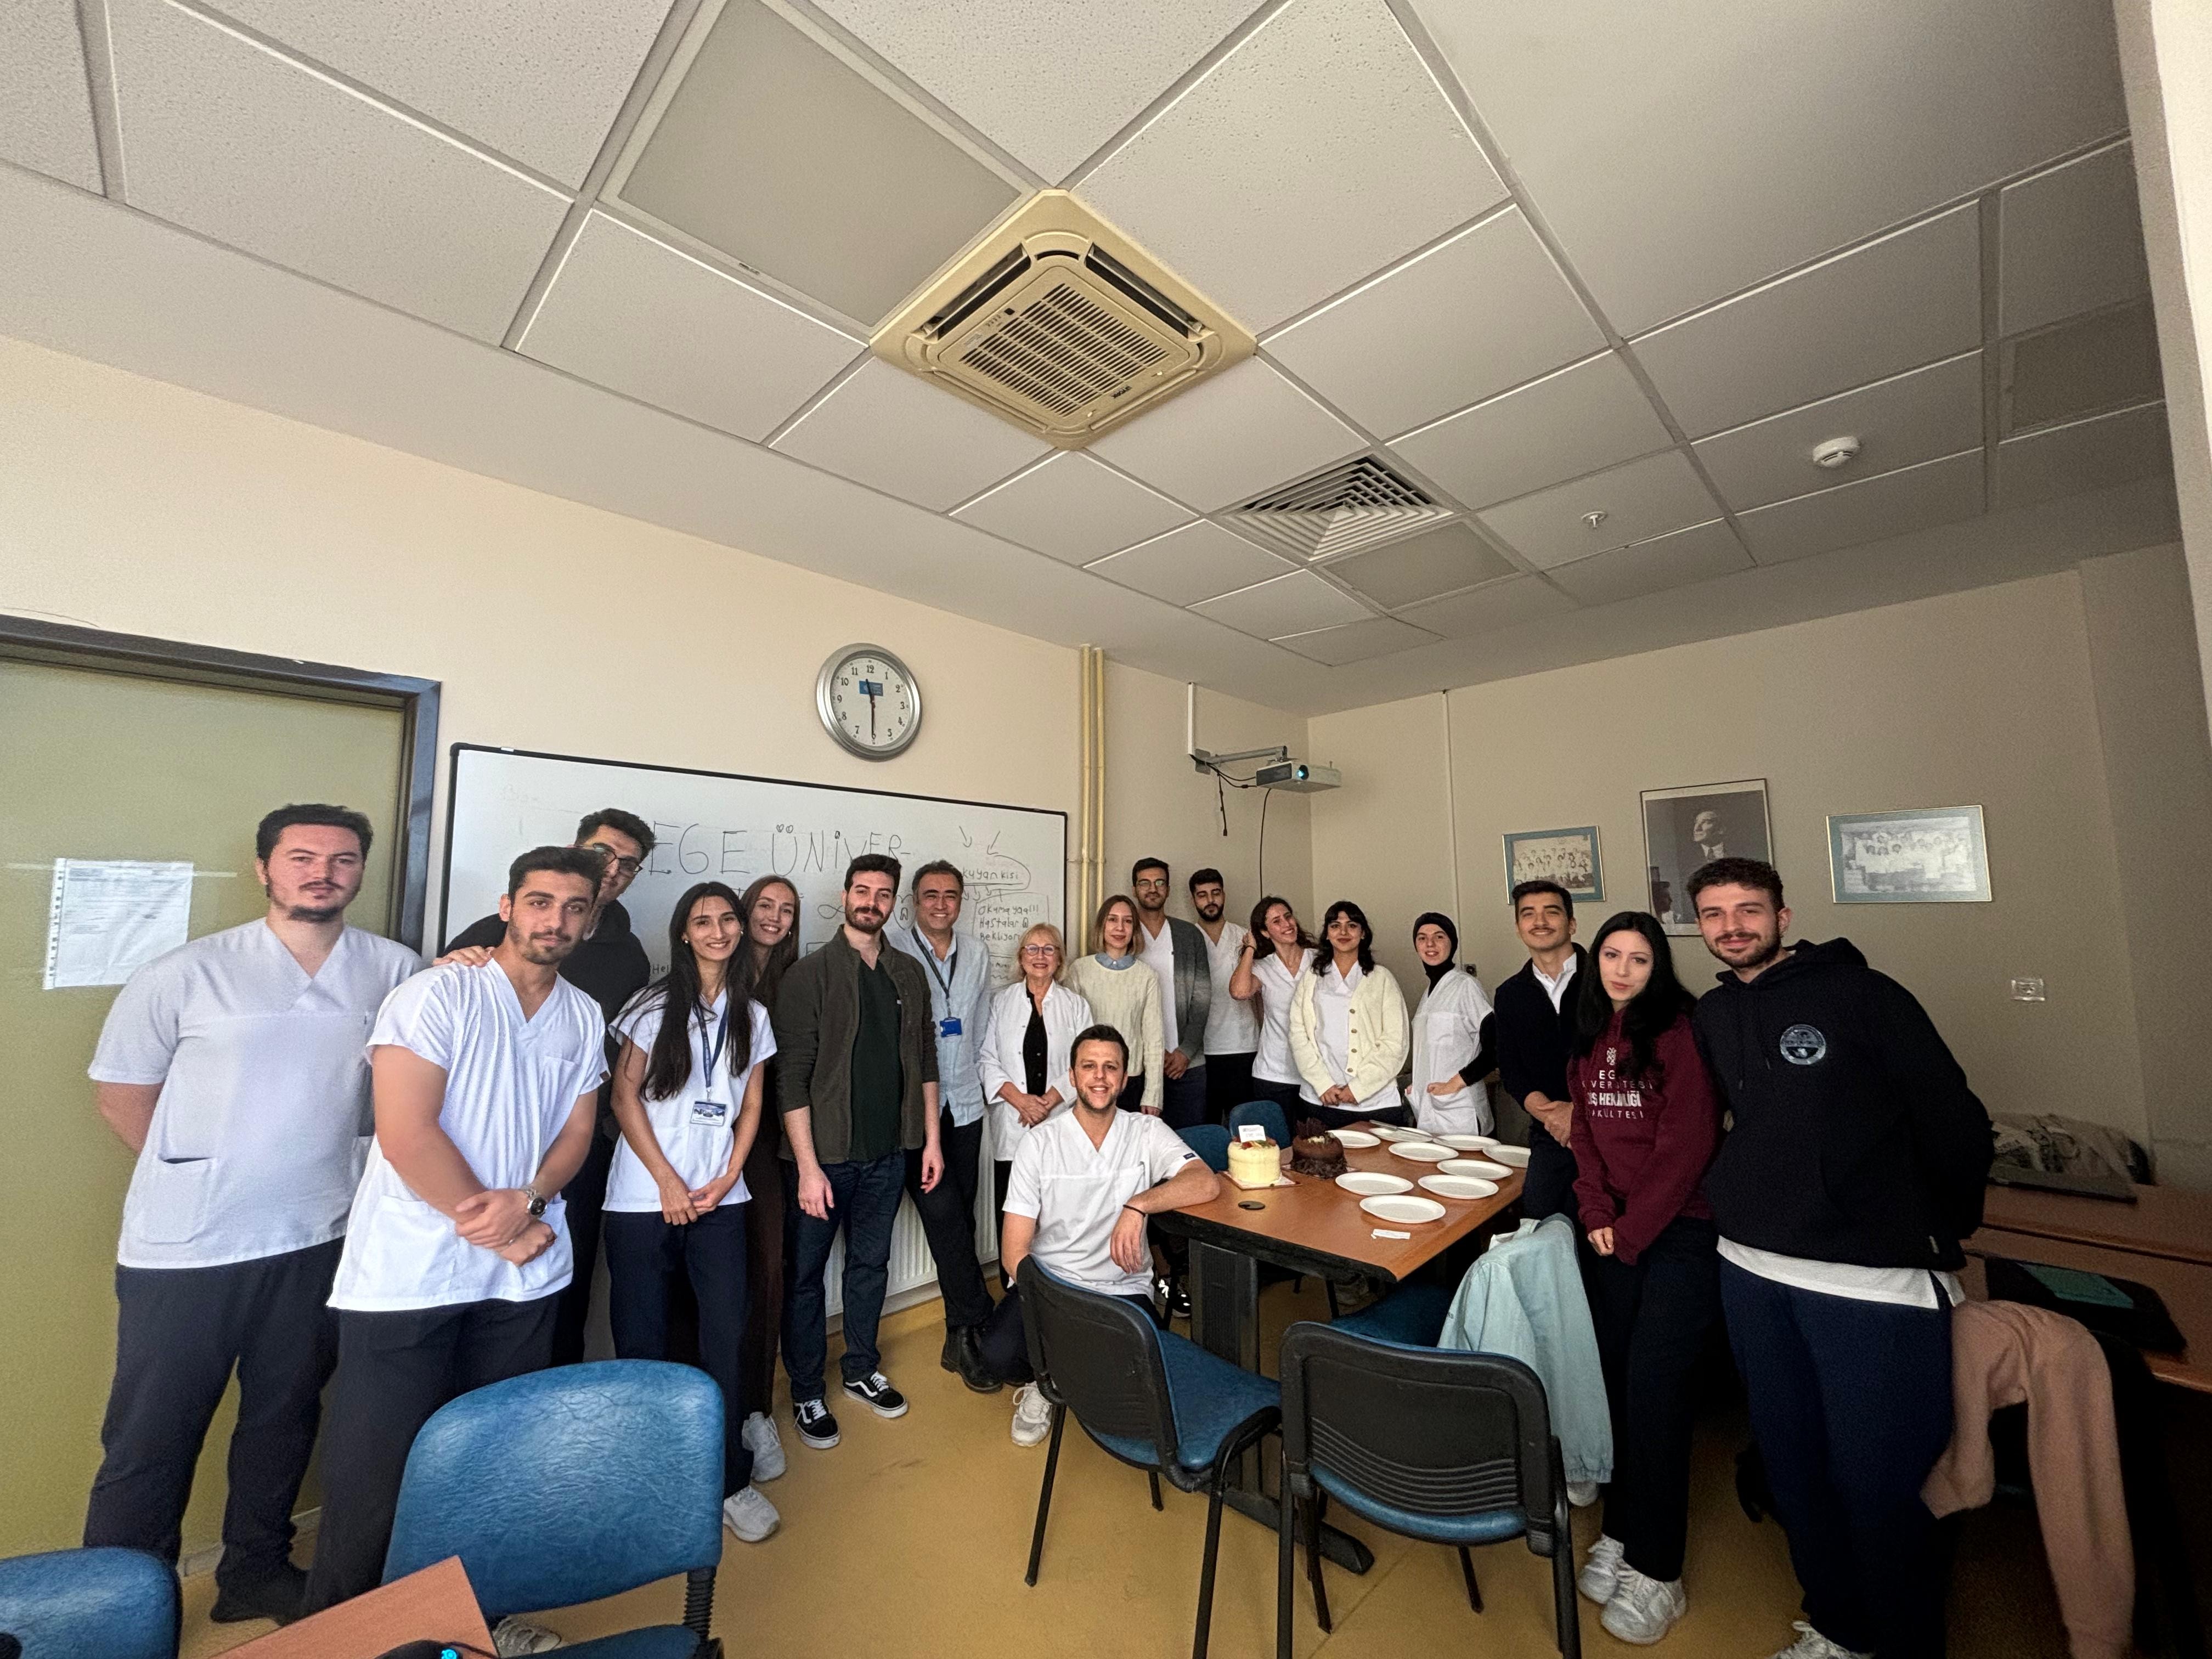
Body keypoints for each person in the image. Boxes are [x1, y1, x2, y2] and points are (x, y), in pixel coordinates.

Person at [83, 804, 420, 1627]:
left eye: (342, 860)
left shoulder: (395, 969)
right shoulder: (186, 973)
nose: (322, 873)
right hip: (188, 1250)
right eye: (302, 857)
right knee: (151, 1436)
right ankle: (116, 1611)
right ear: (264, 868)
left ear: (360, 871)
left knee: (284, 1419)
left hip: (321, 1238)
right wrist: (212, 1173)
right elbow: (123, 1094)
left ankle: (255, 1574)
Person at [1690, 857, 1991, 1659]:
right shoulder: (1714, 1014)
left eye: (1748, 910)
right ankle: (1837, 1628)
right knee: (1794, 1471)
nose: (1732, 927)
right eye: (1715, 914)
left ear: (1783, 916)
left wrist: (1931, 1227)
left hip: (1871, 1286)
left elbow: (1955, 1121)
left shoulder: (1865, 996)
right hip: (1752, 1271)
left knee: (1878, 1486)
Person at [302, 846, 609, 1622]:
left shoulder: (582, 1013)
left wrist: (532, 1200)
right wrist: (502, 1229)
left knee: (491, 1468)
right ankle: (349, 1634)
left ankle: (473, 1627)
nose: (556, 921)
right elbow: (407, 1132)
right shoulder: (436, 995)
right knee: (375, 1481)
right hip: (414, 1276)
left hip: (522, 1282)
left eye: (575, 908)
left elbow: (577, 1131)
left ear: (590, 921)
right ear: (508, 908)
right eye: (540, 902)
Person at [445, 808, 654, 1367]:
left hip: (575, 1139)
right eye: (603, 853)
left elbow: (613, 1052)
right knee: (481, 1272)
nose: (613, 869)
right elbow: (446, 989)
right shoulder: (504, 928)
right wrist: (456, 961)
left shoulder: (630, 956)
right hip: (482, 1135)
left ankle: (554, 1392)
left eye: (628, 864)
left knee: (564, 1278)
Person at [1565, 912, 1722, 1647]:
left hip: (1679, 1234)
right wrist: (1597, 1210)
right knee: (1620, 1385)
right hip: (1615, 1232)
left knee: (1657, 1394)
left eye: (1638, 958)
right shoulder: (1591, 1039)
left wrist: (1629, 1232)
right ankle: (1623, 1532)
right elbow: (1585, 1135)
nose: (1622, 970)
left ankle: (1659, 1571)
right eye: (1611, 955)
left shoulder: (1677, 1035)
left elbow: (1686, 1145)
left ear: (1658, 966)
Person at [605, 883, 778, 1544]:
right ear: (683, 932)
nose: (718, 931)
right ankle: (651, 1475)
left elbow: (752, 1104)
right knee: (643, 1340)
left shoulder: (753, 1014)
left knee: (724, 1337)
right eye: (703, 922)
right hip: (644, 1199)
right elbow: (624, 1100)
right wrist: (668, 1182)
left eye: (728, 920)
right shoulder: (651, 1006)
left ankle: (728, 1478)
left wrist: (730, 1174)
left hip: (720, 1199)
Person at [978, 1025, 1220, 1447]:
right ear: (1072, 1076)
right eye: (1089, 1066)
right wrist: (1064, 1306)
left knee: (1131, 1372)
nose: (1100, 1077)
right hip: (1053, 1289)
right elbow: (1014, 1253)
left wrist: (1138, 1205)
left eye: (1111, 1067)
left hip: (1121, 1290)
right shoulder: (1040, 1143)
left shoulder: (1145, 1131)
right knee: (996, 1353)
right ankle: (1045, 1381)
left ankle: (1059, 1370)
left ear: (1124, 1079)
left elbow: (1205, 1182)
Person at [774, 854, 940, 1453]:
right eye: (862, 891)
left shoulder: (907, 972)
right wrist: (808, 1167)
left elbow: (925, 1060)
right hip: (824, 1161)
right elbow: (791, 1079)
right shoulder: (809, 975)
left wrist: (930, 1141)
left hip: (888, 1155)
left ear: (894, 902)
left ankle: (861, 1369)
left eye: (883, 893)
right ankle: (806, 1390)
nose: (872, 901)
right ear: (845, 896)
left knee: (871, 1267)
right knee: (805, 1279)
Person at [884, 860, 999, 1396]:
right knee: (946, 1216)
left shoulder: (977, 953)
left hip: (966, 1105)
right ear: (914, 900)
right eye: (930, 895)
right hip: (913, 1111)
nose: (940, 904)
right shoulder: (891, 948)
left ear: (960, 901)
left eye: (950, 895)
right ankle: (979, 1322)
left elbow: (981, 1028)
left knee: (963, 1220)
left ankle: (959, 1337)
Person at [732, 874, 799, 1484]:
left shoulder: (794, 981)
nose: (774, 918)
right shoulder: (712, 972)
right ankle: (710, 1408)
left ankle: (756, 1408)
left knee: (768, 1270)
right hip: (700, 1144)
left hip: (771, 1147)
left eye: (787, 911)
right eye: (765, 906)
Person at [979, 924, 1093, 1248]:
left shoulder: (1076, 1005)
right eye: (1032, 948)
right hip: (1014, 1121)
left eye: (1049, 949)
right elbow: (986, 1058)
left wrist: (1047, 1102)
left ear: (1059, 959)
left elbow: (1086, 1063)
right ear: (1021, 957)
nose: (1040, 956)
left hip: (1059, 1120)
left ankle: (1055, 1277)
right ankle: (1013, 1276)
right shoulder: (1000, 1002)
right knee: (1013, 1212)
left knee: (1058, 1212)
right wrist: (1021, 1101)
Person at [1492, 879, 1589, 1221]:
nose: (1540, 922)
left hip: (1609, 1130)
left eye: (1552, 912)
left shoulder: (1605, 980)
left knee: (1602, 1233)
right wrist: (1552, 1115)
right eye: (1528, 914)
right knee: (1541, 1225)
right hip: (1549, 1133)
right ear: (1519, 928)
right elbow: (1512, 1069)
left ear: (1572, 923)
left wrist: (1578, 1112)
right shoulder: (1510, 994)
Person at [1287, 900, 1411, 1132]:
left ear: (1363, 933)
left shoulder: (1382, 978)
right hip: (1321, 1099)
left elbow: (1396, 1041)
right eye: (1335, 926)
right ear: (1327, 934)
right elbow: (1298, 1034)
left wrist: (1359, 1088)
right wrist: (1323, 1084)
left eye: (1352, 926)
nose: (1343, 932)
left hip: (1376, 1102)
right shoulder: (1312, 979)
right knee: (1319, 1155)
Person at [1130, 858, 1212, 1130]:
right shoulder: (1124, 933)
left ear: (1168, 889)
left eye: (1159, 882)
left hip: (1187, 1063)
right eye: (1145, 883)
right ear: (1135, 889)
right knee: (1143, 1143)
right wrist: (1153, 1054)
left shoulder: (1189, 935)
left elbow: (1202, 997)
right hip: (1140, 1065)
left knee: (1189, 1141)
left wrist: (1185, 1052)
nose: (1152, 889)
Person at [1063, 894, 1166, 1114]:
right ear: (1102, 925)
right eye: (1112, 920)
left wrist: (1153, 1094)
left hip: (1130, 1080)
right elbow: (1068, 1033)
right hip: (1089, 1077)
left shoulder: (1147, 977)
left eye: (1127, 921)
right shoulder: (1079, 970)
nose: (1120, 928)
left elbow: (1154, 1040)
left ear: (1134, 930)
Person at [1408, 911, 1498, 1138]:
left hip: (1460, 1109)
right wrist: (1416, 1085)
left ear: (1452, 943)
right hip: (1429, 1109)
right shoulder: (1429, 995)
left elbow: (1497, 1047)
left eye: (1439, 937)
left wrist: (1456, 1083)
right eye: (1422, 938)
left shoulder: (1466, 986)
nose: (1430, 944)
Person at [1231, 895, 1316, 1116]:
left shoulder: (1319, 960)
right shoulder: (1263, 967)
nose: (1287, 924)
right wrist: (1250, 947)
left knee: (1317, 1137)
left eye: (1288, 917)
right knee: (1276, 1136)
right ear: (1265, 932)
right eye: (1277, 921)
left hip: (1318, 1073)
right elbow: (1239, 992)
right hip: (1274, 1073)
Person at [1190, 868, 1259, 1121]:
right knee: (1206, 1123)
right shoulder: (1187, 938)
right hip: (1202, 1049)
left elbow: (1259, 992)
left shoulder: (1245, 937)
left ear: (1224, 895)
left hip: (1243, 1044)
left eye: (1215, 893)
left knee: (1245, 1124)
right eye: (1202, 895)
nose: (1210, 900)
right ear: (1193, 900)